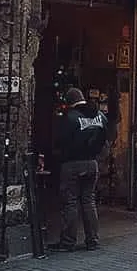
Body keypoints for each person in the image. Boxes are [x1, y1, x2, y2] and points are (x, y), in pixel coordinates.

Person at [48, 87, 109, 252]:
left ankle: (68, 241)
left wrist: (57, 158)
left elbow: (60, 142)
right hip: (92, 163)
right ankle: (93, 240)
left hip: (72, 163)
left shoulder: (69, 118)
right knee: (89, 201)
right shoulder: (100, 116)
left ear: (69, 102)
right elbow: (105, 140)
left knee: (71, 202)